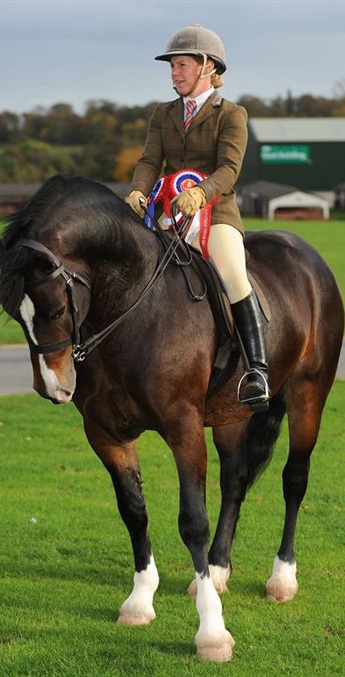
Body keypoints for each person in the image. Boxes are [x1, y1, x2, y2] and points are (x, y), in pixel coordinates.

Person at [125, 23, 269, 407]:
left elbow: (229, 169)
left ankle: (257, 370)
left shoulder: (232, 114)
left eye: (182, 65)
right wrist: (139, 189)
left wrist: (200, 194)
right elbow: (149, 160)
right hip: (168, 213)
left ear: (208, 67)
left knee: (233, 273)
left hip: (215, 213)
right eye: (172, 67)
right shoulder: (163, 113)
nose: (174, 73)